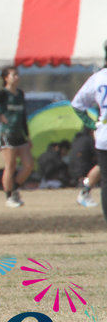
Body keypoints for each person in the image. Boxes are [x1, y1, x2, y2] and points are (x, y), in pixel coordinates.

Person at [0, 67, 33, 208]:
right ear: (6, 78)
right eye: (13, 75)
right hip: (7, 134)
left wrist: (27, 135)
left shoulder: (20, 93)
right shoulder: (3, 93)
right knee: (10, 165)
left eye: (17, 75)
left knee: (28, 165)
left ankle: (14, 188)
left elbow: (23, 116)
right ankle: (9, 196)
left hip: (19, 134)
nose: (17, 77)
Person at [71, 40, 107, 223]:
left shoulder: (98, 78)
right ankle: (85, 191)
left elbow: (77, 105)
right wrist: (92, 124)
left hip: (104, 136)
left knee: (105, 179)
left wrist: (93, 124)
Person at [69, 129, 100, 207]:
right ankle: (85, 192)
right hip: (83, 170)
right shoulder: (89, 140)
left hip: (72, 170)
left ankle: (85, 192)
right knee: (102, 164)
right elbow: (97, 154)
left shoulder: (76, 139)